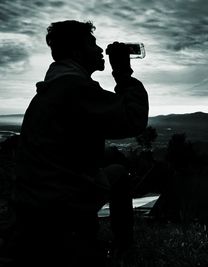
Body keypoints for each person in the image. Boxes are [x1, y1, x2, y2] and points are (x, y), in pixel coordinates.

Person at [13, 20, 149, 267]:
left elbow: (68, 145)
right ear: (77, 52)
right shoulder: (75, 88)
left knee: (114, 157)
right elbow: (133, 119)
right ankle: (123, 248)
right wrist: (123, 74)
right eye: (92, 44)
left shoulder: (52, 87)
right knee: (119, 174)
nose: (100, 51)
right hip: (60, 201)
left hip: (37, 195)